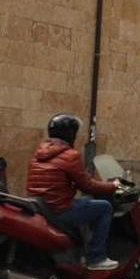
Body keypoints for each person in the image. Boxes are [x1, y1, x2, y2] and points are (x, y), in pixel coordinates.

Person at [26, 113, 120, 270]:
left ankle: (79, 250)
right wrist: (113, 185)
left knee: (84, 203)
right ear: (71, 134)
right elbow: (88, 186)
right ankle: (97, 257)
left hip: (41, 208)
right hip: (60, 209)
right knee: (104, 207)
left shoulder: (38, 155)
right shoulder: (70, 155)